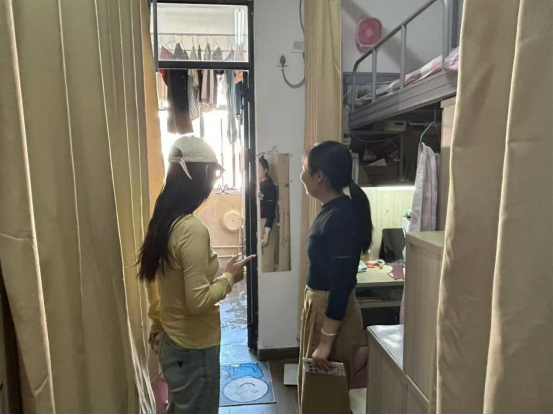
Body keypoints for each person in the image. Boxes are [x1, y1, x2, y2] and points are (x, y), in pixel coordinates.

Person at [139, 136, 255, 415]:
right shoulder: (191, 229)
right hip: (194, 348)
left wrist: (158, 323)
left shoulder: (164, 219)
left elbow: (162, 285)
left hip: (173, 341)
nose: (213, 181)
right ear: (202, 172)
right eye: (214, 174)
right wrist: (229, 278)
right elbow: (198, 301)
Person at [298, 141, 373, 407]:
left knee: (326, 400)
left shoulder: (341, 217)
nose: (301, 175)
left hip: (329, 311)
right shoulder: (332, 210)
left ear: (319, 176)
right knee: (318, 396)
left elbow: (341, 284)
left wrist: (326, 343)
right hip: (321, 306)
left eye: (304, 169)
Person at [258, 156, 278, 272]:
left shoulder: (269, 186)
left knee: (266, 259)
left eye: (258, 168)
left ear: (265, 170)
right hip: (259, 221)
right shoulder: (258, 183)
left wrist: (266, 235)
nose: (256, 170)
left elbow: (270, 211)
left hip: (266, 223)